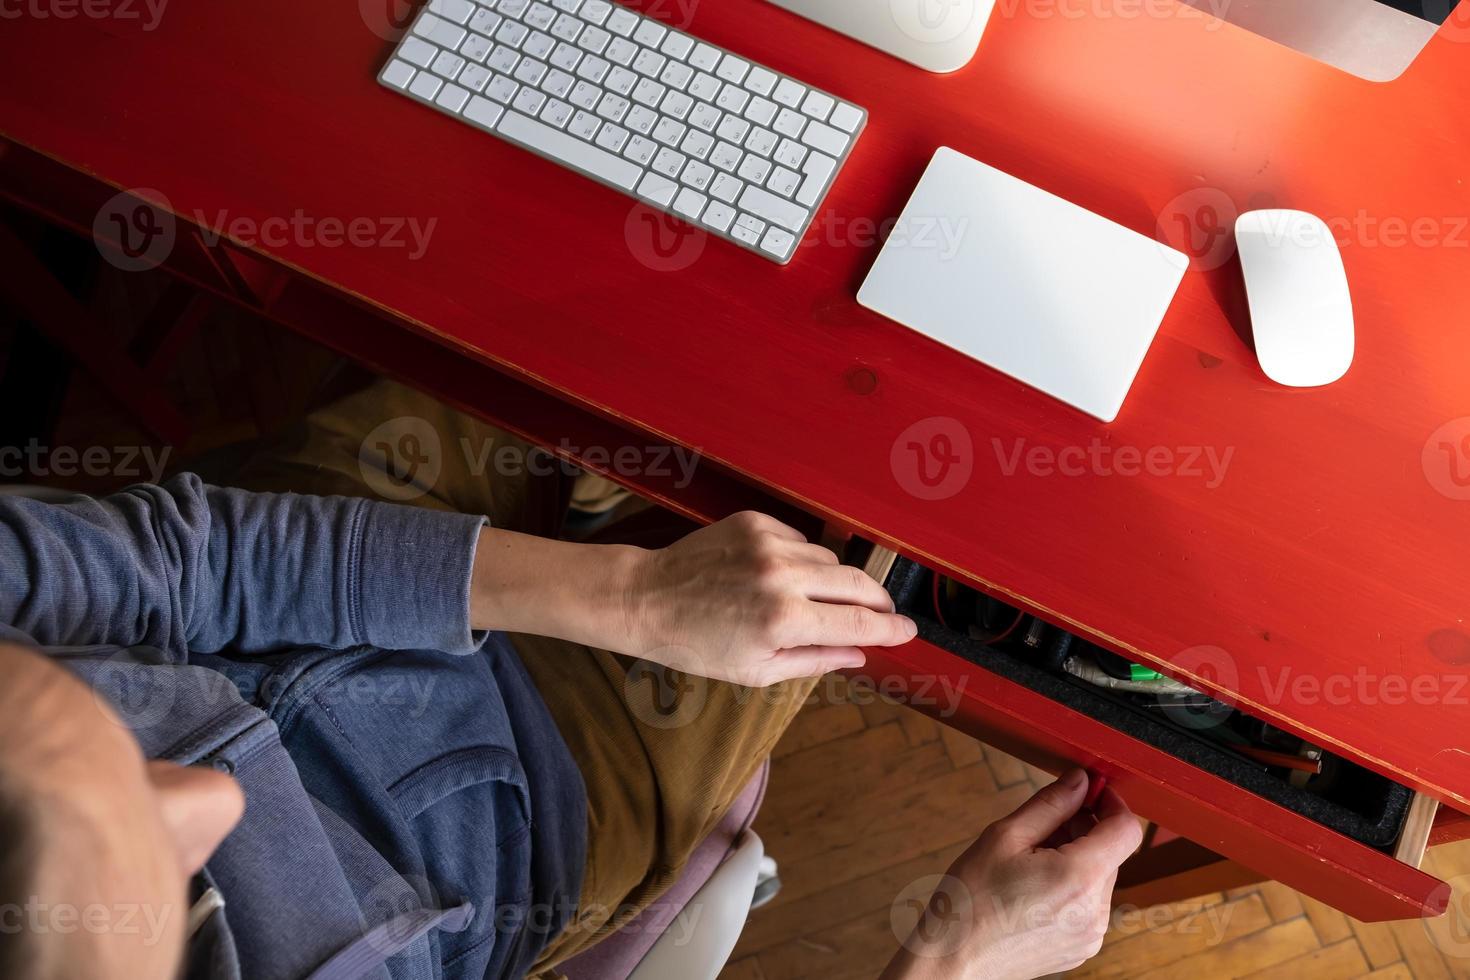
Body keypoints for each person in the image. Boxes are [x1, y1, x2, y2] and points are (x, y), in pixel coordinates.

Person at [0, 380, 1141, 979]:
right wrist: (955, 952)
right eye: (181, 881)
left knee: (560, 286)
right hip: (535, 797)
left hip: (306, 586)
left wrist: (631, 594)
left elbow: (191, 565)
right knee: (845, 468)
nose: (219, 783)